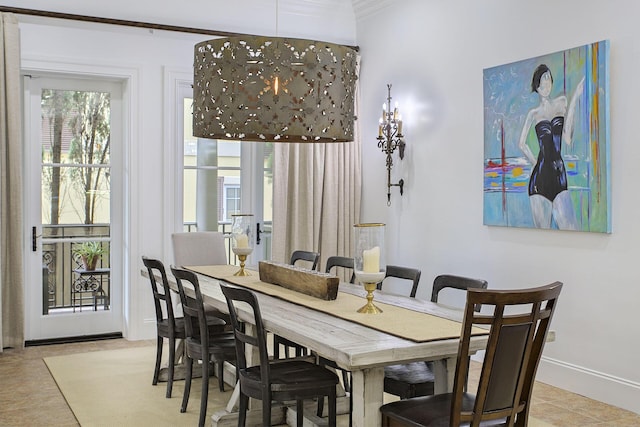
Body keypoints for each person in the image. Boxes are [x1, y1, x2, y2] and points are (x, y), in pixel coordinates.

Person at [518, 64, 584, 230]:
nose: (546, 84)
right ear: (537, 87)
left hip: (559, 175)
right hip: (538, 181)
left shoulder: (562, 102)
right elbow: (521, 143)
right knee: (542, 234)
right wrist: (534, 163)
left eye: (548, 79)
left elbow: (567, 138)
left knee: (572, 230)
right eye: (542, 81)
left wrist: (575, 97)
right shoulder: (533, 114)